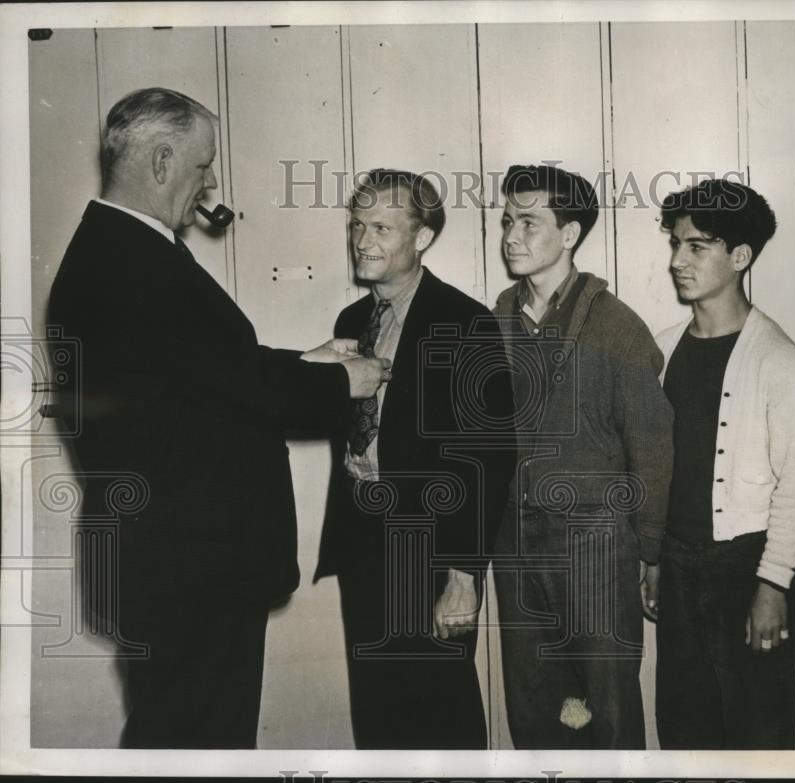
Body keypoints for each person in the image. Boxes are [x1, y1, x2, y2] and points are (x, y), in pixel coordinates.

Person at [46, 87, 389, 749]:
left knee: (183, 733)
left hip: (171, 563)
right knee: (198, 741)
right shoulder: (135, 261)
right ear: (162, 160)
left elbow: (204, 369)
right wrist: (342, 379)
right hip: (191, 570)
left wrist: (308, 357)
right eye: (204, 167)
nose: (211, 186)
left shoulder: (117, 250)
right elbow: (235, 383)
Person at [313, 169, 515, 749]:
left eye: (380, 226)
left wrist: (463, 576)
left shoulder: (464, 323)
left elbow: (487, 459)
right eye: (356, 224)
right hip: (362, 542)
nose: (362, 240)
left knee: (440, 714)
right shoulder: (351, 324)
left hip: (427, 551)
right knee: (376, 713)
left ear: (422, 237)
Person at [491, 164, 672, 749]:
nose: (511, 236)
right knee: (536, 707)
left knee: (606, 708)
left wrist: (651, 551)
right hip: (516, 545)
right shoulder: (497, 321)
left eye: (529, 222)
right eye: (507, 221)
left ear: (569, 234)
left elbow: (653, 449)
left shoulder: (618, 329)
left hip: (595, 549)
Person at [650, 179, 795, 749]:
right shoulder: (664, 348)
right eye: (676, 243)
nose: (678, 260)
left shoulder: (777, 359)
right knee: (684, 730)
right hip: (677, 566)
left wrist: (773, 585)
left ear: (740, 257)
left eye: (696, 246)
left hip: (747, 569)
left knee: (759, 735)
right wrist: (652, 558)